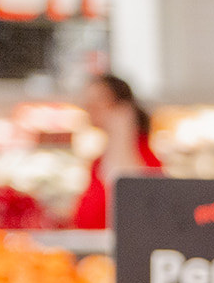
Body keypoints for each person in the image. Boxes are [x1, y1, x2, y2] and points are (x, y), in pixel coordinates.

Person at [69, 73, 162, 230]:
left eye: (98, 101)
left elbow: (133, 207)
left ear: (121, 106)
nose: (90, 108)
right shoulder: (98, 161)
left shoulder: (144, 158)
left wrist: (122, 128)